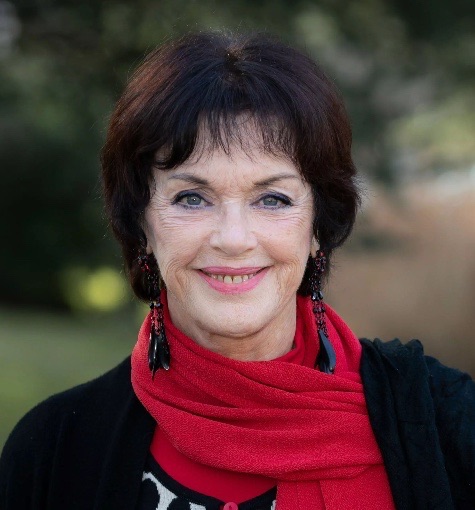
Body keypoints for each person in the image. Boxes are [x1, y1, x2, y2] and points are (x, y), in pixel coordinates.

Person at [0, 31, 473, 510]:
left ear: (318, 226)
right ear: (141, 224)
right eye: (192, 198)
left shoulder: (448, 424)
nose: (233, 238)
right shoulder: (53, 452)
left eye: (273, 199)